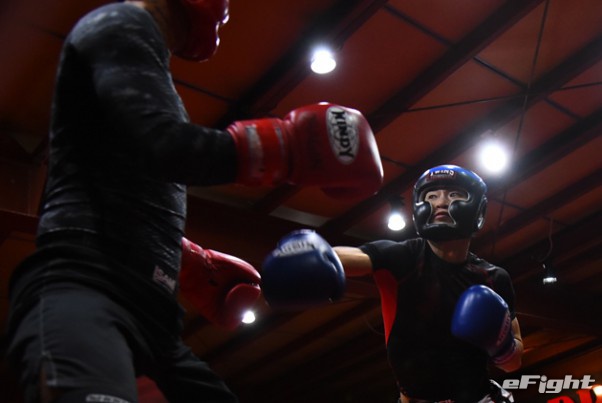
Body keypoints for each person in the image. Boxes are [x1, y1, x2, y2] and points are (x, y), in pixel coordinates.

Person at [5, 0, 384, 402]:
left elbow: (119, 174)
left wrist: (182, 260)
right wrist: (287, 147)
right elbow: (164, 146)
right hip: (85, 290)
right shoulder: (119, 24)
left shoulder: (143, 60)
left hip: (152, 321)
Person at [262, 165, 523, 403]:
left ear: (478, 209)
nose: (441, 202)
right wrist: (312, 256)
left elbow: (513, 363)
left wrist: (502, 347)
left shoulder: (493, 278)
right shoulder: (402, 257)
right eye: (431, 196)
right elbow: (349, 257)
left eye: (454, 195)